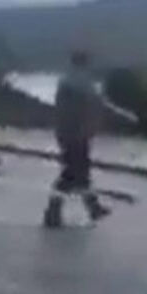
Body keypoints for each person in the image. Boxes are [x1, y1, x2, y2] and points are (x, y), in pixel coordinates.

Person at [43, 50, 112, 228]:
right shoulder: (81, 84)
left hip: (69, 134)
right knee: (72, 173)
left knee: (80, 172)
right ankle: (53, 213)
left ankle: (92, 207)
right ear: (84, 63)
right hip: (77, 135)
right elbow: (88, 110)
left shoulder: (68, 82)